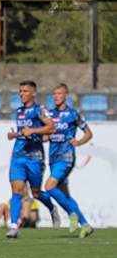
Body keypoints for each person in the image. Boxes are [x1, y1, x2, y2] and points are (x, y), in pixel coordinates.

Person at [40, 83, 94, 238]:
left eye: (59, 93)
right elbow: (45, 137)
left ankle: (72, 213)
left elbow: (88, 133)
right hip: (53, 158)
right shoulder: (49, 115)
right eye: (54, 93)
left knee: (49, 186)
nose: (56, 96)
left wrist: (80, 141)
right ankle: (85, 225)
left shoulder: (73, 114)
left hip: (66, 157)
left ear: (66, 96)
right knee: (65, 195)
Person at [5, 80, 56, 239]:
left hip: (35, 158)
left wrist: (32, 130)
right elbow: (24, 133)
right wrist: (14, 135)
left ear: (33, 93)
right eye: (20, 91)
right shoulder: (19, 111)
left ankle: (52, 208)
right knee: (16, 191)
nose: (22, 94)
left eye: (25, 91)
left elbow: (52, 128)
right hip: (19, 157)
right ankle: (14, 226)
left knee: (36, 192)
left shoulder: (40, 110)